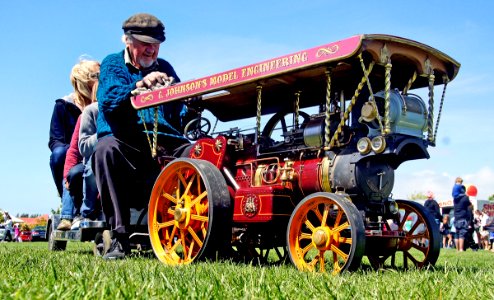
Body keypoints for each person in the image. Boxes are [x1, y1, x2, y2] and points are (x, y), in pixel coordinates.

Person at [94, 13, 194, 259]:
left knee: (203, 154)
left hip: (168, 145)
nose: (151, 50)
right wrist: (139, 87)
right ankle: (119, 238)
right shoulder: (112, 64)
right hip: (129, 144)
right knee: (105, 149)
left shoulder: (166, 68)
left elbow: (182, 112)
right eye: (145, 43)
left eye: (156, 44)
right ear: (128, 41)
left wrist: (186, 98)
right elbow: (109, 101)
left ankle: (218, 233)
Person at [57, 60, 101, 230]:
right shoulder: (85, 116)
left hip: (98, 164)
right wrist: (66, 175)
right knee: (73, 174)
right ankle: (67, 216)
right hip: (86, 164)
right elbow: (74, 150)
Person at [48, 93, 81, 198]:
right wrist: (72, 150)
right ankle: (66, 203)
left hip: (93, 149)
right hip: (72, 153)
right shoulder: (63, 105)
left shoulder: (101, 101)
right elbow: (55, 139)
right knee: (59, 154)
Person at [453, 184, 472, 252]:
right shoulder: (465, 198)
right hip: (463, 218)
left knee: (456, 234)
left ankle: (457, 249)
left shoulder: (455, 199)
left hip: (456, 218)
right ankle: (461, 249)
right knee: (462, 233)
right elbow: (469, 205)